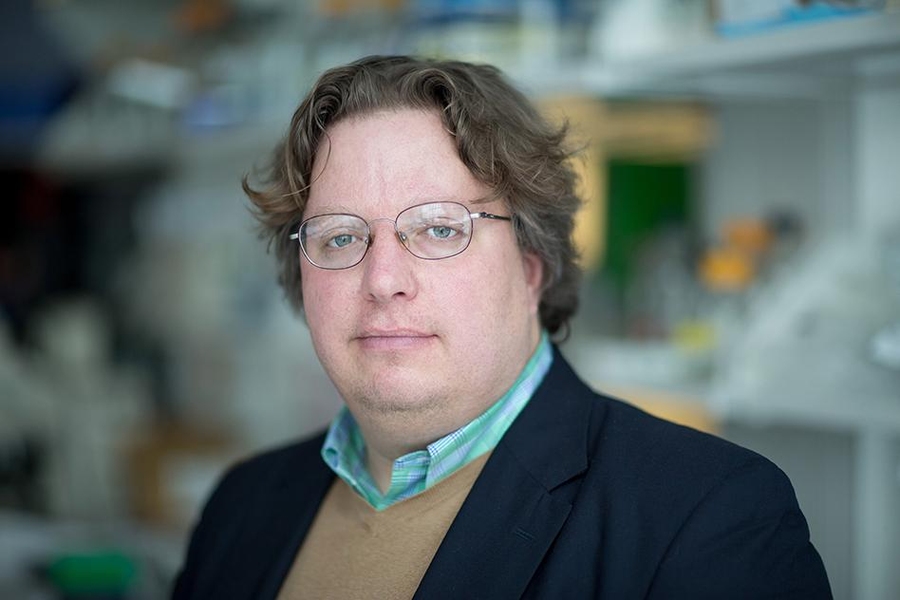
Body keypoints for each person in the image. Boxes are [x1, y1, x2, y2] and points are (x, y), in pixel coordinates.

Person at [172, 55, 831, 599]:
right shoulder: (244, 505)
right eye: (341, 237)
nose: (382, 279)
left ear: (531, 267)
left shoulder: (708, 517)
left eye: (437, 228)